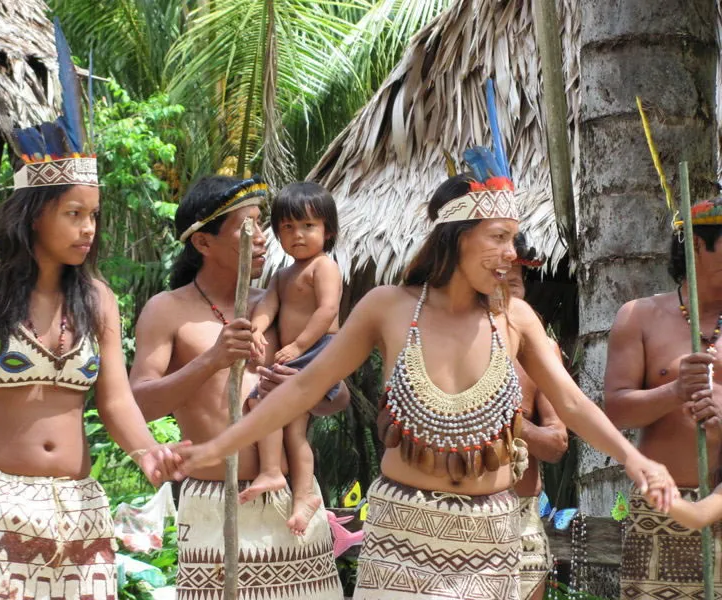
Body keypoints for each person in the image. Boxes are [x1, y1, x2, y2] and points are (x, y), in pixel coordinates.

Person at [173, 158, 677, 599]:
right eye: (497, 238)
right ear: (456, 237)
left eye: (511, 238)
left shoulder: (516, 319)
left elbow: (573, 405)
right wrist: (222, 447)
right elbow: (304, 387)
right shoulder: (387, 308)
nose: (510, 252)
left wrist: (634, 459)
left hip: (491, 538)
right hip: (403, 540)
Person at [0, 20, 178, 600]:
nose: (89, 228)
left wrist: (149, 454)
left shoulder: (99, 300)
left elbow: (114, 400)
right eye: (73, 214)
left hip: (79, 513)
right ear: (34, 213)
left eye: (93, 215)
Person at [129, 174, 346, 600]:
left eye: (262, 225)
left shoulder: (279, 301)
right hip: (215, 505)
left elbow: (335, 398)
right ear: (203, 243)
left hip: (290, 505)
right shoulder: (168, 310)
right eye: (246, 228)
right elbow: (138, 404)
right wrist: (212, 359)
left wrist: (316, 388)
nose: (263, 238)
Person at [605, 196, 722, 599]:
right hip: (661, 508)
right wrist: (674, 391)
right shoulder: (639, 316)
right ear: (696, 246)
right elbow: (615, 412)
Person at [242, 181, 342, 534]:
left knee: (263, 403)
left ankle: (272, 472)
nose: (297, 235)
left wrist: (299, 346)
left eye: (308, 226)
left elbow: (328, 310)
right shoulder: (283, 275)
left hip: (316, 351)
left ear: (327, 231)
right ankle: (303, 496)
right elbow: (268, 305)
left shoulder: (323, 267)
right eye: (288, 227)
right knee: (293, 429)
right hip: (297, 356)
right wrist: (256, 327)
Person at [506, 233, 568, 600]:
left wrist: (511, 422)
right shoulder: (437, 340)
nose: (509, 283)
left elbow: (556, 444)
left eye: (516, 279)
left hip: (521, 513)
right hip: (454, 513)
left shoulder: (543, 350)